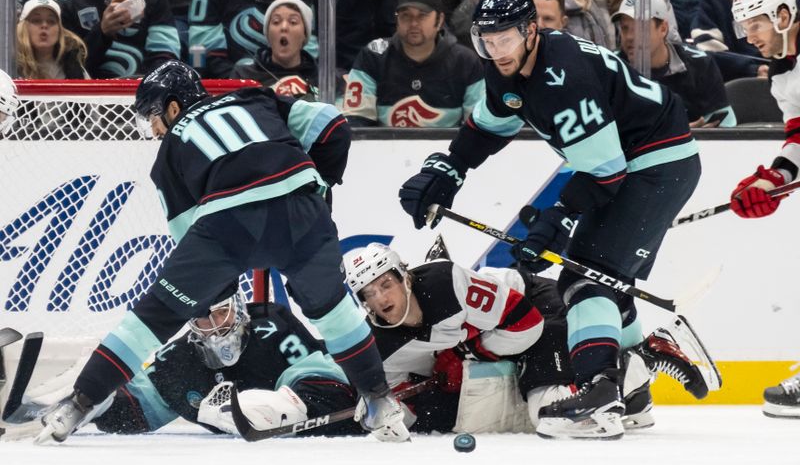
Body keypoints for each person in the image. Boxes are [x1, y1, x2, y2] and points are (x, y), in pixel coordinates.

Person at [35, 60, 409, 444]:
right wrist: (322, 186)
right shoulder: (255, 97)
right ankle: (380, 402)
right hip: (303, 212)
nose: (154, 129)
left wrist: (203, 293)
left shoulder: (169, 154)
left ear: (174, 106)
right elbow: (332, 124)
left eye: (153, 117)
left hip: (228, 224)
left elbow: (187, 234)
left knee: (153, 317)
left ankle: (77, 404)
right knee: (334, 312)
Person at [398, 0, 702, 439]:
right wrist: (448, 169)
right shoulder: (509, 68)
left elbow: (605, 173)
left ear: (531, 30)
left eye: (504, 38)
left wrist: (558, 217)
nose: (495, 50)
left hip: (658, 163)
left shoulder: (564, 77)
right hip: (634, 161)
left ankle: (600, 395)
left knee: (585, 276)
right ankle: (635, 388)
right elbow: (487, 127)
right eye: (486, 40)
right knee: (603, 275)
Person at [344, 243, 711, 434]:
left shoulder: (445, 284)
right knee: (583, 410)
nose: (381, 298)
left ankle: (648, 354)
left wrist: (474, 350)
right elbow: (396, 396)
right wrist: (384, 413)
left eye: (385, 284)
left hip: (538, 309)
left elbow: (525, 324)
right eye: (368, 294)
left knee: (548, 412)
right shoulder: (380, 343)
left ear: (404, 277)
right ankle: (636, 394)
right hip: (509, 333)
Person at [59, 293, 362, 437]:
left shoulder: (274, 325)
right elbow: (140, 409)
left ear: (238, 306)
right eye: (203, 318)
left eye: (220, 313)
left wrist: (280, 406)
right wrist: (95, 402)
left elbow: (330, 387)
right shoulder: (177, 359)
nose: (214, 326)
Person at [726, 0, 800, 416]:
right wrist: (772, 179)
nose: (748, 36)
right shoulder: (783, 76)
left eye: (755, 24)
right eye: (744, 27)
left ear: (783, 15)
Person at [343, 0, 484, 127]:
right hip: (385, 148)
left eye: (422, 16)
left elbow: (478, 125)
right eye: (405, 15)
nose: (413, 23)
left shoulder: (465, 62)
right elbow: (356, 121)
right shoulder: (373, 56)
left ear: (440, 20)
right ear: (396, 20)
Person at [612, 0, 736, 128]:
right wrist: (679, 133)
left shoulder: (700, 63)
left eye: (640, 28)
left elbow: (724, 123)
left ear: (663, 28)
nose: (629, 37)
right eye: (624, 28)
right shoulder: (610, 68)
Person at [231, 0, 322, 100]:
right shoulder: (243, 75)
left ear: (305, 34)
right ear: (268, 34)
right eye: (276, 22)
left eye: (293, 22)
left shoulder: (325, 78)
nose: (284, 27)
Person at [16, 0, 90, 80]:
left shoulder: (73, 69)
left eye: (51, 21)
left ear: (59, 30)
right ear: (24, 28)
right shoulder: (9, 67)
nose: (44, 25)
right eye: (36, 20)